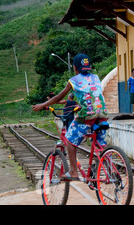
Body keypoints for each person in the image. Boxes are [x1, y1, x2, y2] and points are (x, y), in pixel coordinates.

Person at [32, 53, 108, 181]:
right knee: (101, 145)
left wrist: (42, 105)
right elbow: (92, 94)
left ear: (75, 68)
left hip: (87, 115)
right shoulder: (95, 77)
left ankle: (73, 171)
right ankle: (110, 171)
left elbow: (58, 98)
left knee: (69, 140)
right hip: (103, 113)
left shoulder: (73, 80)